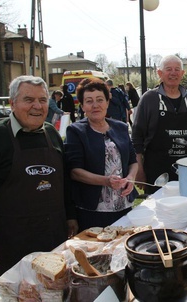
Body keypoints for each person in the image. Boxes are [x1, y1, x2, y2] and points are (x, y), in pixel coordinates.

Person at [0, 75, 78, 281]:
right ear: (12, 103)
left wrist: (70, 216)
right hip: (12, 246)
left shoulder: (52, 134)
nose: (37, 106)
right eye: (28, 100)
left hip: (54, 241)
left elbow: (63, 182)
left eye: (42, 100)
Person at [65, 78, 138, 231]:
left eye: (100, 100)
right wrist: (105, 181)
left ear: (107, 102)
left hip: (123, 205)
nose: (95, 105)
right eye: (89, 101)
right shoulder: (76, 131)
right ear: (83, 105)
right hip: (92, 210)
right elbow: (74, 172)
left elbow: (132, 160)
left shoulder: (121, 127)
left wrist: (131, 178)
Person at [131, 54, 187, 195]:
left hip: (185, 170)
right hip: (156, 170)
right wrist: (139, 171)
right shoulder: (149, 99)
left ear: (182, 73)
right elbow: (136, 139)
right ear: (160, 73)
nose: (173, 73)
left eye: (177, 69)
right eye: (168, 69)